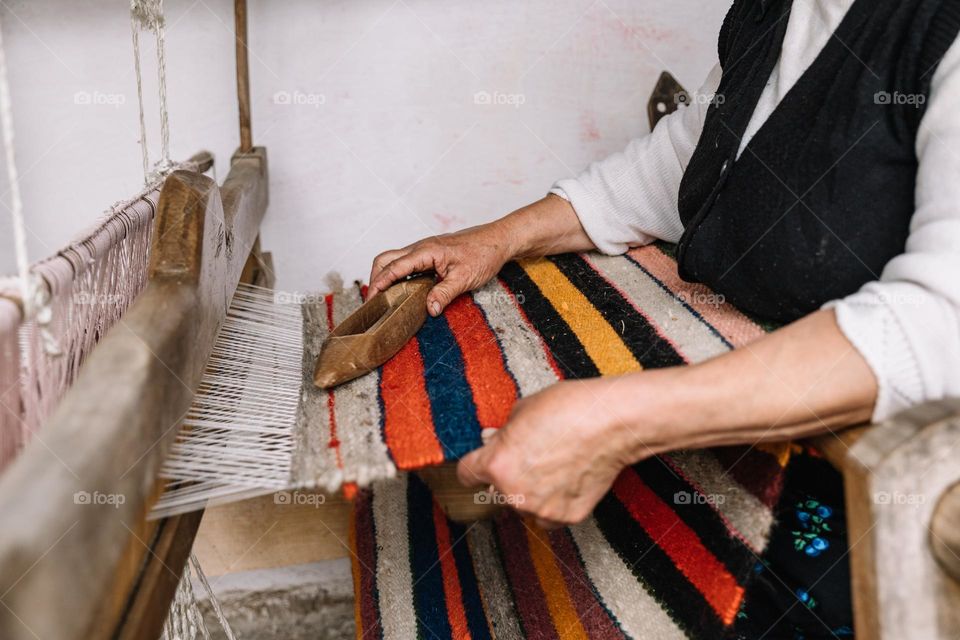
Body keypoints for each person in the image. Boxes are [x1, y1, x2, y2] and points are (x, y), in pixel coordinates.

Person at [369, 0, 960, 633]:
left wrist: (616, 421)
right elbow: (700, 152)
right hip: (770, 444)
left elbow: (939, 322)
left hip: (884, 495)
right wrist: (499, 238)